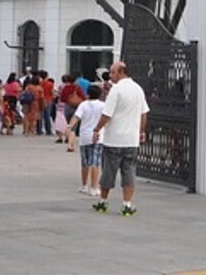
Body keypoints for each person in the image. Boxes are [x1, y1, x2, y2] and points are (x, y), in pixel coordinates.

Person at [92, 61, 149, 216]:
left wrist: (97, 129)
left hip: (114, 139)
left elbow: (107, 114)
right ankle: (127, 204)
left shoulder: (116, 90)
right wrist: (141, 131)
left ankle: (103, 201)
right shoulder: (138, 89)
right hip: (131, 140)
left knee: (109, 172)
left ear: (121, 72)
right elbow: (143, 114)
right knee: (129, 171)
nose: (110, 76)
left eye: (112, 72)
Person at [69, 84, 105, 195]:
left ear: (87, 94)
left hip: (85, 136)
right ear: (100, 94)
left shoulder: (83, 105)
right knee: (95, 162)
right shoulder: (103, 105)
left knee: (85, 162)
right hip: (98, 136)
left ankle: (84, 185)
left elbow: (76, 117)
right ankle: (94, 187)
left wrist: (69, 126)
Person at [57, 74, 85, 150]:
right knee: (74, 127)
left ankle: (68, 138)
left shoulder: (65, 88)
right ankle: (70, 144)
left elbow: (62, 98)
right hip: (76, 108)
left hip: (67, 107)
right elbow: (83, 97)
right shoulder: (77, 88)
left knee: (68, 124)